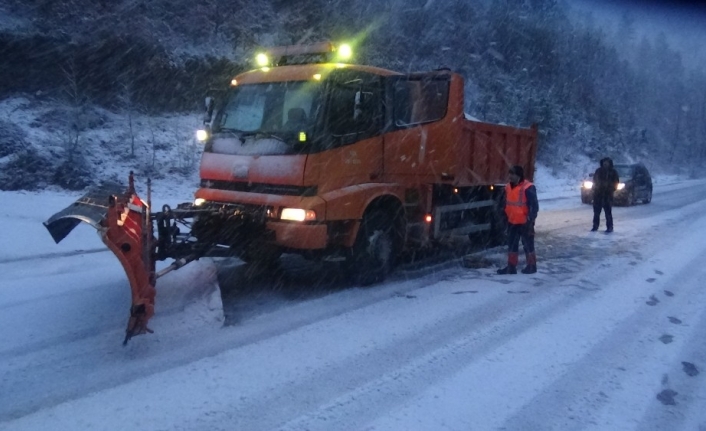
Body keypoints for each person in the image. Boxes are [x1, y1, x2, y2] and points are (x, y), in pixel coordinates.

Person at [497, 165, 539, 275]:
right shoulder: (507, 187)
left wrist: (530, 220)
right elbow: (504, 203)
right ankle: (511, 267)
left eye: (512, 174)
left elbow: (534, 206)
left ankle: (532, 266)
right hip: (512, 222)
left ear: (519, 175)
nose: (510, 176)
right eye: (509, 174)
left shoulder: (528, 187)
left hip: (525, 222)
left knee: (528, 245)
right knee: (512, 245)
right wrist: (504, 216)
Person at [591, 157, 619, 233]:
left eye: (607, 162)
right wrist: (595, 189)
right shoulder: (598, 171)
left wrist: (610, 188)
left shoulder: (613, 172)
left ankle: (610, 227)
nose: (605, 164)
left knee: (608, 212)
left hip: (607, 195)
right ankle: (595, 226)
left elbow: (616, 183)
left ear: (610, 163)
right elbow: (594, 181)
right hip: (598, 194)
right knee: (596, 212)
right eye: (604, 162)